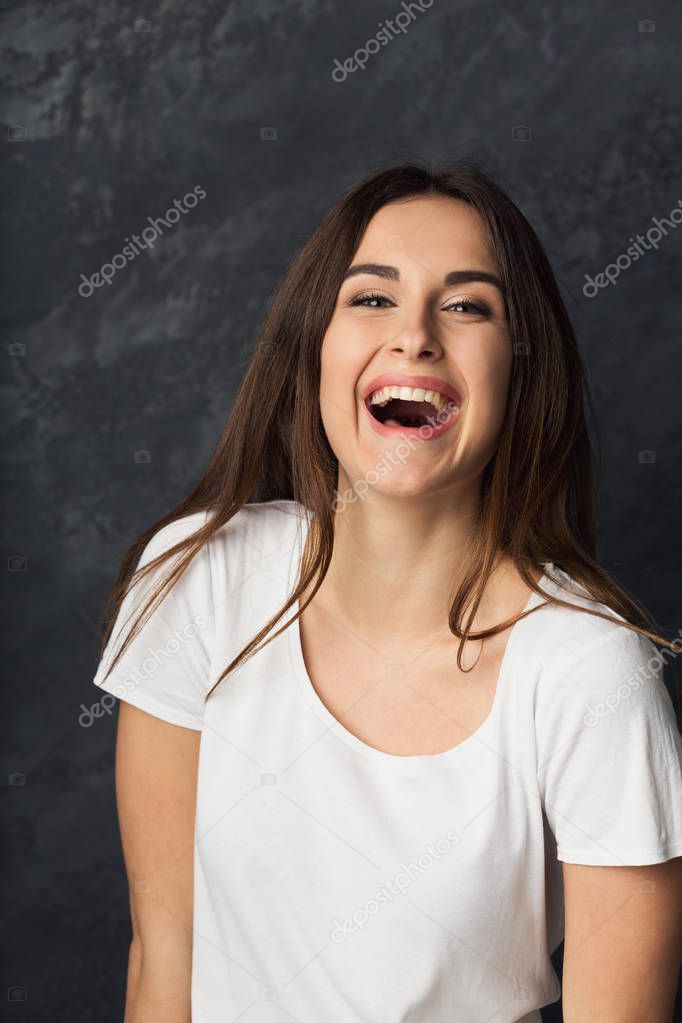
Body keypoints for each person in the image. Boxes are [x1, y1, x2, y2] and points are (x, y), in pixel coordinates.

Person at [92, 162, 682, 1022]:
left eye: (467, 304)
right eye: (372, 298)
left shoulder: (594, 671)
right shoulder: (199, 576)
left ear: (523, 370)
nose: (415, 335)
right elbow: (163, 964)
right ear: (315, 348)